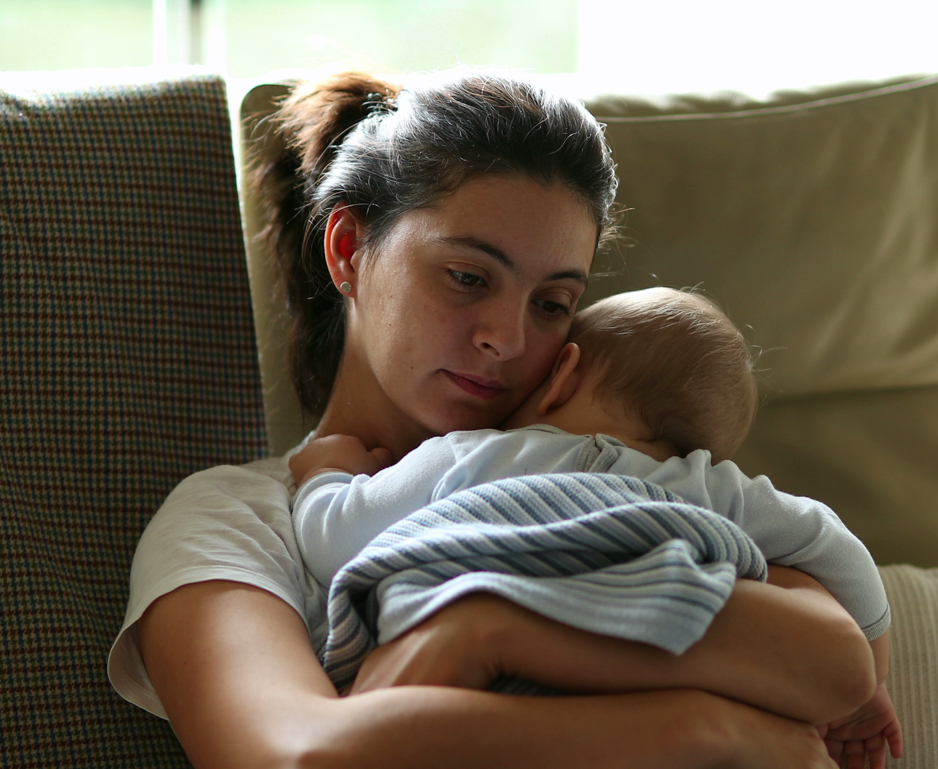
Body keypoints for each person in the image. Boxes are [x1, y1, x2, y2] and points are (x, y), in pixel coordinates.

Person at [107, 68, 876, 769]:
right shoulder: (236, 520)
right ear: (347, 248)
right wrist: (701, 730)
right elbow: (296, 756)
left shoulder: (634, 483)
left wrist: (485, 630)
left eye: (552, 304)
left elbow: (837, 658)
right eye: (468, 277)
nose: (506, 339)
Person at [289, 286, 902, 769]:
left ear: (563, 374)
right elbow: (829, 541)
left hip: (468, 705)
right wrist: (869, 674)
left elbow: (334, 540)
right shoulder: (707, 485)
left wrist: (325, 474)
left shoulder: (470, 452)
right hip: (646, 674)